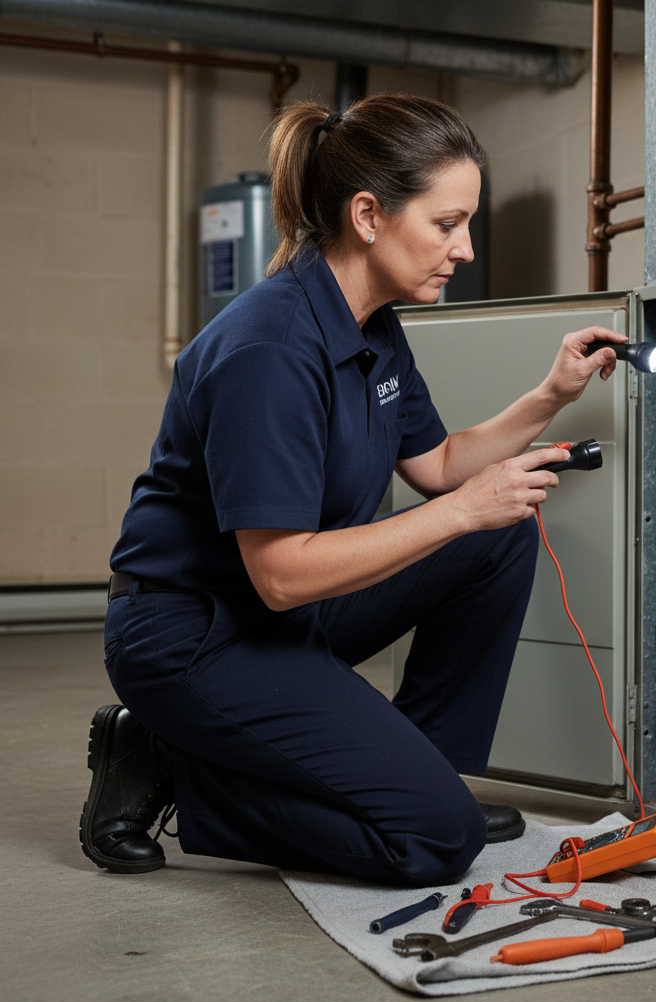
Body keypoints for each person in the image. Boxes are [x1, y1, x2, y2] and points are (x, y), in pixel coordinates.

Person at [80, 95, 625, 886]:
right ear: (368, 215)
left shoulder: (373, 326)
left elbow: (440, 463)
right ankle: (173, 766)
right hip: (192, 636)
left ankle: (421, 771)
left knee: (497, 533)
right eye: (447, 224)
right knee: (435, 840)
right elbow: (281, 574)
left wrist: (551, 394)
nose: (466, 248)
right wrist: (459, 510)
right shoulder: (269, 348)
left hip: (280, 614)